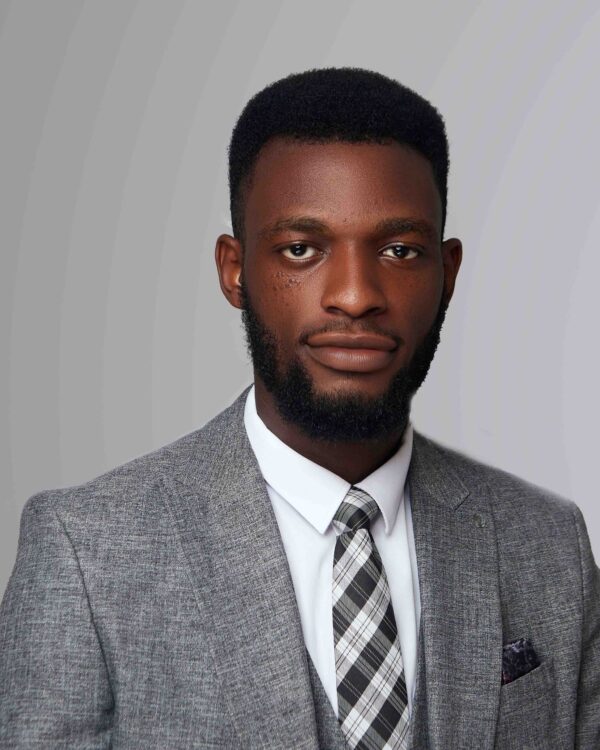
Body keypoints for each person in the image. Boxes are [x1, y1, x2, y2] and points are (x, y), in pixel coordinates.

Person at [0, 67, 598, 750]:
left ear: (447, 272)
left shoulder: (548, 545)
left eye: (399, 250)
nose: (355, 295)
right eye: (301, 249)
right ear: (234, 271)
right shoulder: (87, 554)